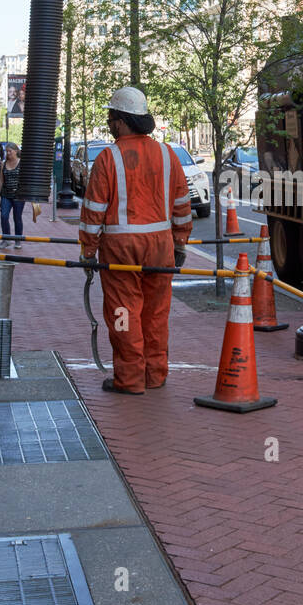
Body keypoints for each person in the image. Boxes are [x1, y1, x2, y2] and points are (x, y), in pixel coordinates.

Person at [79, 86, 192, 394]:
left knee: (123, 313)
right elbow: (182, 204)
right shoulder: (167, 154)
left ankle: (129, 378)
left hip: (120, 251)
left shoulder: (108, 158)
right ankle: (155, 374)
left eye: (110, 117)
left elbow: (93, 212)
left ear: (121, 120)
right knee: (156, 314)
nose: (108, 122)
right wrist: (180, 243)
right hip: (160, 247)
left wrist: (88, 251)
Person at [0, 144, 25, 249]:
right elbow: (1, 180)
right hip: (6, 195)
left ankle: (18, 240)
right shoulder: (4, 164)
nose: (8, 153)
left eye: (10, 151)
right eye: (6, 151)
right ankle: (6, 239)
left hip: (18, 195)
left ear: (16, 151)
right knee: (4, 216)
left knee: (17, 217)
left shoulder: (22, 163)